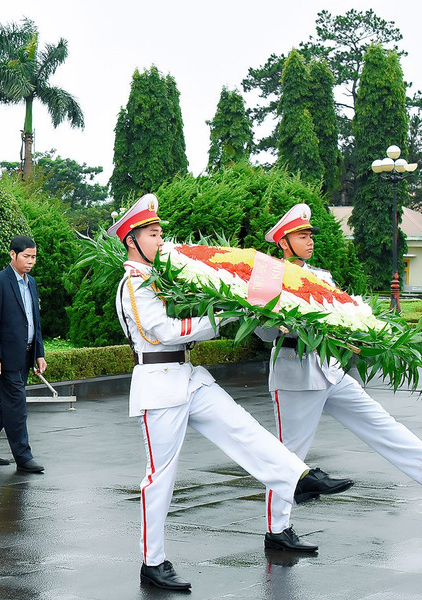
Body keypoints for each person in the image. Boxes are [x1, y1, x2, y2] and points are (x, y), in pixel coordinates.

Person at [109, 194, 348, 592]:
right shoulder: (133, 283)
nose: (160, 239)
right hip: (160, 382)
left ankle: (297, 478)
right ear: (132, 239)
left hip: (188, 374)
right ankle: (153, 562)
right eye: (153, 233)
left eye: (160, 232)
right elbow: (163, 332)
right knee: (160, 476)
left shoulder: (163, 277)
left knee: (243, 428)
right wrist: (221, 316)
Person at [259, 203, 422, 547]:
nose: (310, 241)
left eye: (310, 235)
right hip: (296, 375)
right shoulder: (268, 275)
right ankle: (277, 530)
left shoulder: (321, 276)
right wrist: (278, 320)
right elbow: (261, 333)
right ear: (283, 242)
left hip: (330, 369)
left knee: (379, 420)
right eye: (301, 236)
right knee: (290, 453)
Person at [0, 235, 46, 473]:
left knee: (9, 403)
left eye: (34, 257)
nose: (31, 261)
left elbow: (34, 321)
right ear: (12, 255)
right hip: (7, 357)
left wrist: (39, 352)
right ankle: (23, 456)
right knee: (17, 405)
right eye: (26, 256)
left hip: (26, 354)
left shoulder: (32, 282)